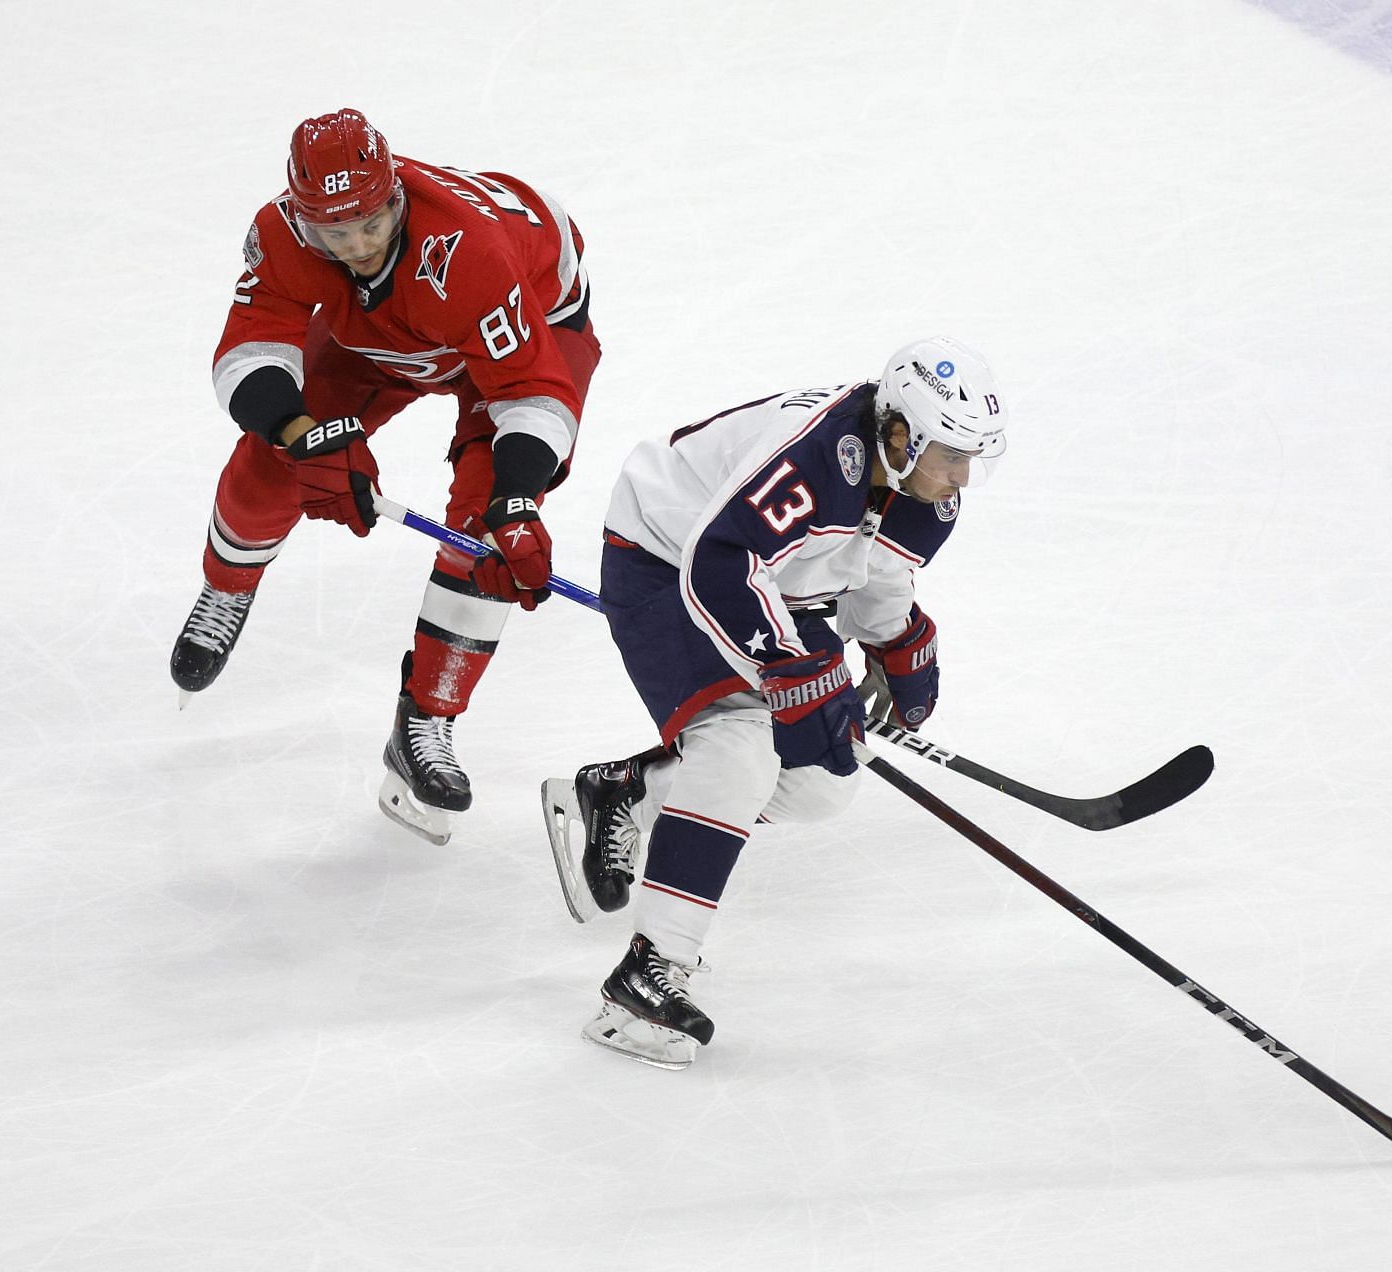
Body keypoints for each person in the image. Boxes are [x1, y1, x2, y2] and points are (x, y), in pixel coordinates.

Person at [539, 336, 1007, 1068]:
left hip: (770, 579)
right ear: (899, 434)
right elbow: (718, 559)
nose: (962, 477)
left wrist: (897, 642)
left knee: (824, 780)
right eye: (950, 453)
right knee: (740, 746)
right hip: (666, 555)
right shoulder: (818, 458)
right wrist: (792, 663)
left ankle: (629, 793)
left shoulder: (929, 495)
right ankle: (647, 969)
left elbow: (874, 572)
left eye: (971, 456)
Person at [172, 108, 601, 845]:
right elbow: (246, 351)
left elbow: (533, 390)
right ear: (303, 221)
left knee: (485, 533)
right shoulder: (279, 234)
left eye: (370, 224)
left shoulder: (469, 251)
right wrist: (304, 437)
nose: (359, 246)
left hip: (521, 327)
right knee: (273, 462)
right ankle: (227, 586)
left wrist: (519, 498)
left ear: (396, 193)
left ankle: (425, 719)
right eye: (334, 235)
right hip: (384, 333)